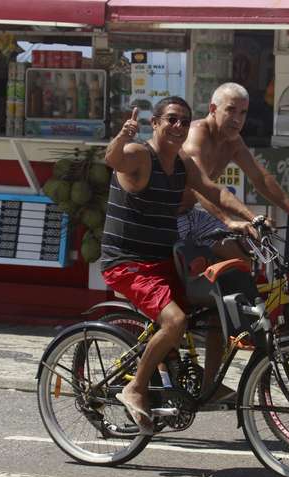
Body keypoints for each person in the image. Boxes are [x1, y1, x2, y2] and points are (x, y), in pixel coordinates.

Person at [102, 96, 258, 434]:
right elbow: (113, 159)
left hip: (163, 260)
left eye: (184, 121)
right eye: (171, 119)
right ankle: (135, 388)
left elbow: (214, 191)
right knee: (176, 321)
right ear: (155, 123)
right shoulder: (139, 154)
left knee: (217, 308)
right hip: (128, 263)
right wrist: (123, 136)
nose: (178, 126)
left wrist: (250, 219)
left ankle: (208, 386)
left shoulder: (181, 162)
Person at [179, 82, 289, 260]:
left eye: (243, 112)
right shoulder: (196, 136)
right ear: (213, 109)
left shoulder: (233, 141)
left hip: (191, 214)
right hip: (169, 217)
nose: (237, 119)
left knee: (243, 255)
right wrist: (231, 221)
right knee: (183, 268)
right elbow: (200, 186)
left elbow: (260, 178)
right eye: (230, 110)